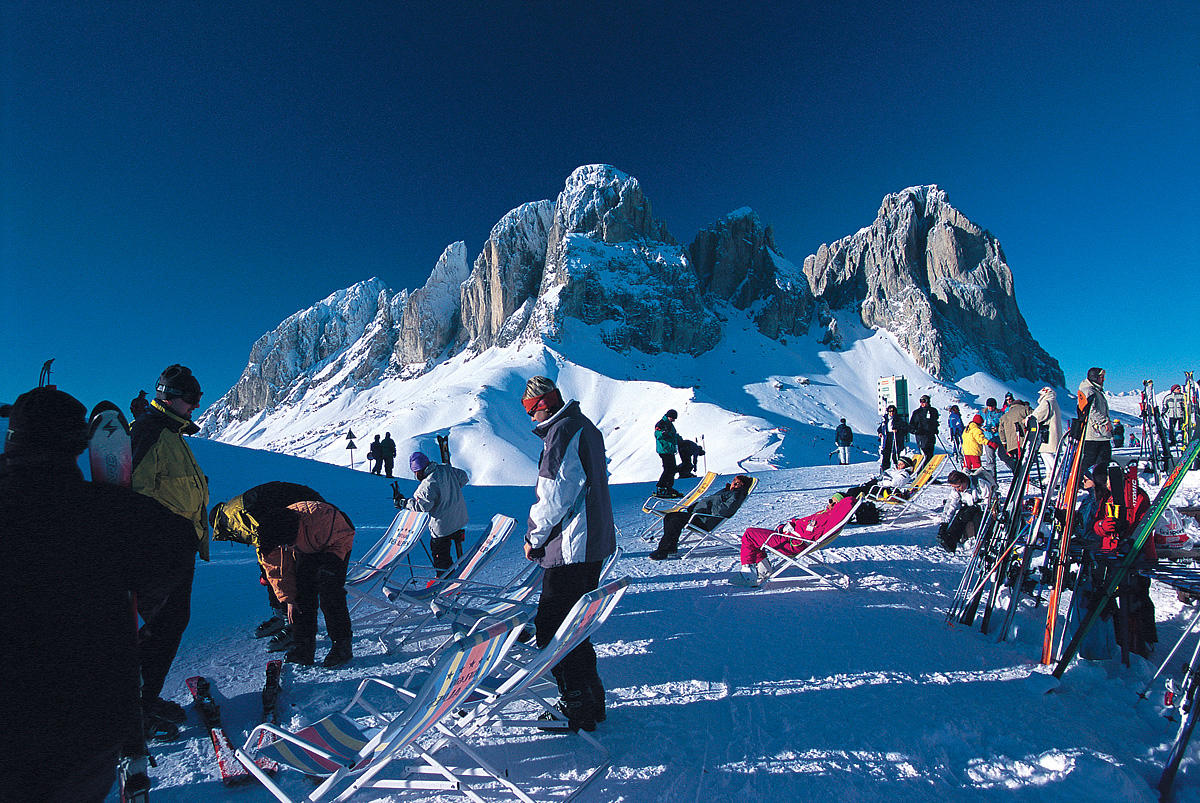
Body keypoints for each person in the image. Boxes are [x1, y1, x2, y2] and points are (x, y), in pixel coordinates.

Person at [0, 386, 194, 801]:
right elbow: (178, 543)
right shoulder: (106, 513)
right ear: (78, 444)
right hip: (86, 723)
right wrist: (147, 599)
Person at [521, 376, 616, 732]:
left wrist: (534, 538)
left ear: (542, 405)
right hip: (593, 542)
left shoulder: (562, 433)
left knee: (552, 629)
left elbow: (553, 495)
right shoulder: (584, 426)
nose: (529, 418)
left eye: (529, 410)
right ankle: (592, 702)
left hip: (572, 546)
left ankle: (574, 706)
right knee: (575, 627)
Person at [130, 364, 209, 734]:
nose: (196, 405)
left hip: (178, 550)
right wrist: (160, 539)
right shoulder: (150, 432)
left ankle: (143, 700)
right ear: (168, 397)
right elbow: (134, 494)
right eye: (191, 398)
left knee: (169, 625)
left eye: (198, 397)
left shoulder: (173, 434)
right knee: (155, 627)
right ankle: (135, 709)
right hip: (159, 553)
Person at [209, 481, 327, 645]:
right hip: (306, 507)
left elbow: (266, 542)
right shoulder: (232, 510)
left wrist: (267, 570)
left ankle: (294, 624)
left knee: (288, 570)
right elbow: (263, 542)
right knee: (271, 570)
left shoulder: (232, 518)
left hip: (309, 514)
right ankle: (280, 617)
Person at [256, 500, 356, 668]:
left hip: (335, 541)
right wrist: (289, 599)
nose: (282, 547)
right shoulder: (270, 539)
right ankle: (303, 647)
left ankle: (342, 646)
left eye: (285, 544)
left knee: (330, 592)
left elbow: (345, 536)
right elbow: (278, 570)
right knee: (300, 596)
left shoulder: (321, 521)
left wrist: (332, 565)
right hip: (305, 545)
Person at [733, 493, 858, 586]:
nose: (831, 504)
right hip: (789, 537)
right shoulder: (824, 513)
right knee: (756, 537)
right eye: (831, 500)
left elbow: (848, 502)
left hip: (791, 543)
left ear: (839, 507)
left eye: (835, 503)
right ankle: (764, 569)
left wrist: (853, 498)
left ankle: (748, 576)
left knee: (750, 535)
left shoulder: (830, 517)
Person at [395, 451, 469, 572]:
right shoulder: (445, 468)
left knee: (440, 554)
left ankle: (445, 579)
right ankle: (452, 576)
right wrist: (450, 489)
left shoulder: (428, 484)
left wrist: (404, 502)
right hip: (460, 519)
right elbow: (464, 477)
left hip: (443, 527)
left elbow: (422, 507)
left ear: (418, 471)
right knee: (448, 549)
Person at [649, 474, 752, 560]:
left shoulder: (736, 495)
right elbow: (710, 500)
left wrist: (706, 507)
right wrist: (696, 506)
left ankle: (663, 550)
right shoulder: (726, 491)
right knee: (670, 517)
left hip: (705, 521)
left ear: (742, 486)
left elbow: (724, 511)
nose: (734, 484)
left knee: (674, 519)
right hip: (699, 516)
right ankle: (670, 548)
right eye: (734, 481)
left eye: (738, 484)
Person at [937, 469, 994, 553]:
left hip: (982, 509)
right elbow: (951, 505)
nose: (957, 489)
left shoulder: (980, 484)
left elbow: (989, 500)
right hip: (968, 507)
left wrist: (977, 507)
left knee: (977, 517)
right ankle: (951, 540)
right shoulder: (956, 491)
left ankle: (983, 542)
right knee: (961, 516)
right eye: (955, 487)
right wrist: (944, 523)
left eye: (959, 486)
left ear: (964, 481)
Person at [1078, 367, 1113, 477]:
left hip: (1100, 434)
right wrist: (1105, 421)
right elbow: (1090, 410)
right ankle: (1080, 480)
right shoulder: (1088, 391)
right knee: (1090, 460)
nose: (1104, 379)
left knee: (1103, 461)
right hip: (1093, 434)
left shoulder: (1096, 391)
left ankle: (1099, 482)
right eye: (1101, 377)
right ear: (1094, 377)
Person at [845, 454, 915, 499]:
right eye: (898, 463)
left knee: (854, 492)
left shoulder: (904, 474)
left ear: (906, 466)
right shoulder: (894, 470)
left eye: (901, 464)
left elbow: (894, 483)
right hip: (878, 486)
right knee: (852, 490)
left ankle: (847, 507)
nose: (898, 465)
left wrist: (880, 482)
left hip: (884, 489)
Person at [1032, 386, 1064, 481]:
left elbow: (1039, 415)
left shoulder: (1047, 402)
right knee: (1044, 453)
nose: (1039, 396)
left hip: (1048, 432)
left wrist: (1029, 419)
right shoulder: (1053, 402)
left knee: (1047, 453)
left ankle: (1057, 474)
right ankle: (1050, 474)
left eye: (1041, 394)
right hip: (1050, 431)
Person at [997, 397, 1032, 474]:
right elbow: (1035, 417)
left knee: (1015, 460)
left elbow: (1001, 431)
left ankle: (1017, 474)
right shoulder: (1025, 410)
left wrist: (1004, 443)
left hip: (1011, 444)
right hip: (1024, 441)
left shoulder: (1004, 416)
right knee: (1024, 460)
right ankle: (1023, 474)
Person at [654, 409, 681, 497]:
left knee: (672, 469)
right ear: (669, 416)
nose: (673, 420)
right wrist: (663, 433)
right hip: (664, 450)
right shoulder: (661, 423)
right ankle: (661, 487)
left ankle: (668, 487)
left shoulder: (669, 424)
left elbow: (672, 435)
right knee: (669, 469)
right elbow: (657, 434)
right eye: (673, 418)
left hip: (669, 450)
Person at [908, 395, 939, 463]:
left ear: (928, 402)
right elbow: (911, 425)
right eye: (921, 401)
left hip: (930, 437)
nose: (922, 403)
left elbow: (935, 421)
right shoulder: (917, 413)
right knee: (924, 456)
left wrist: (935, 428)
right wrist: (915, 431)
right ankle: (922, 469)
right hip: (921, 437)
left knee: (930, 455)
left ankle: (928, 469)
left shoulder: (933, 411)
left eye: (924, 401)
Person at [980, 397, 1003, 479]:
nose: (990, 408)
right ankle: (992, 478)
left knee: (1004, 456)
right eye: (989, 406)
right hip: (988, 438)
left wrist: (998, 428)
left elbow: (1003, 423)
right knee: (990, 460)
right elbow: (979, 423)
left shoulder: (999, 413)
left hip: (998, 437)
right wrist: (983, 428)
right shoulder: (983, 413)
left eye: (992, 406)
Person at [878, 404, 904, 471]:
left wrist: (897, 430)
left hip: (895, 437)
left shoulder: (898, 419)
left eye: (893, 411)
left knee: (895, 454)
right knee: (886, 453)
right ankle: (884, 469)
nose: (891, 413)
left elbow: (904, 428)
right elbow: (881, 427)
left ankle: (898, 468)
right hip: (887, 437)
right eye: (890, 411)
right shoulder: (885, 419)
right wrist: (880, 432)